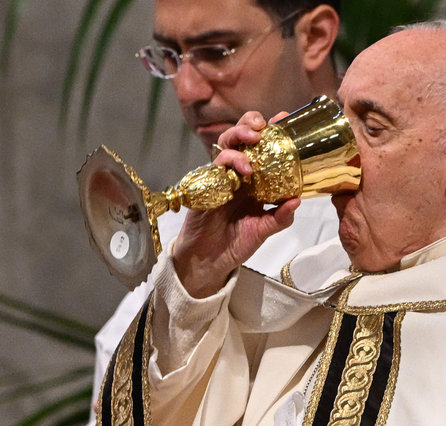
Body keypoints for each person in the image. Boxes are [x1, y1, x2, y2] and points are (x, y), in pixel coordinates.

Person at [98, 20, 446, 425]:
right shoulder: (317, 274)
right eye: (335, 119)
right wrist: (200, 274)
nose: (335, 160)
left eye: (371, 128)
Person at [90, 0, 344, 417]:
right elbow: (110, 407)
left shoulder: (407, 200)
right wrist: (195, 280)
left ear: (314, 37)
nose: (187, 90)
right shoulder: (183, 225)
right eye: (169, 57)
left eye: (217, 51)